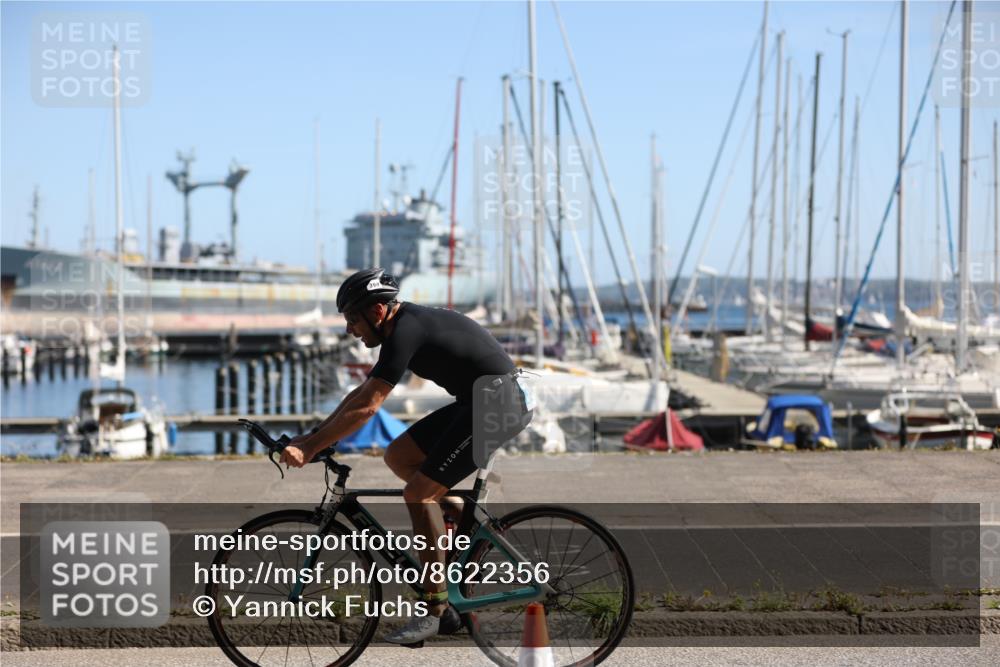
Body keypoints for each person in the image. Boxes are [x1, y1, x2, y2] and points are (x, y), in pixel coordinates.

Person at [279, 267, 533, 644]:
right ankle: (466, 522)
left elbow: (368, 407)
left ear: (377, 311)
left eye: (352, 319)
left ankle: (435, 609)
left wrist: (310, 448)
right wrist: (314, 436)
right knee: (398, 456)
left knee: (418, 494)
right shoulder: (400, 328)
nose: (349, 329)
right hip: (479, 401)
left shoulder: (407, 330)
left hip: (499, 405)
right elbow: (360, 395)